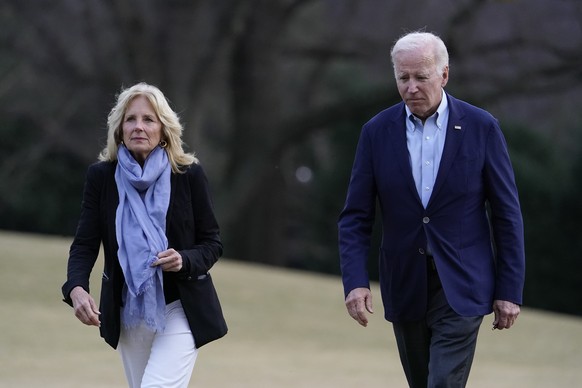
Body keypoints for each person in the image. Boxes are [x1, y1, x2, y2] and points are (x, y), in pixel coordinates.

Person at [338, 31, 525, 387]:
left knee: (442, 383)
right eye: (402, 78)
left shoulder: (481, 127)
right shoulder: (376, 132)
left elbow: (506, 214)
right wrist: (355, 282)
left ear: (444, 75)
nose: (411, 87)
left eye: (420, 77)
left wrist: (509, 290)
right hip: (405, 281)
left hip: (463, 283)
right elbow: (355, 217)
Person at [62, 82, 227, 388]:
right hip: (127, 309)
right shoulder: (101, 177)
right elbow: (85, 243)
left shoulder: (188, 175)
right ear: (119, 129)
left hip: (181, 306)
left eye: (148, 119)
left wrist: (184, 259)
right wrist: (76, 288)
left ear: (164, 129)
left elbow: (212, 243)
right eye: (131, 119)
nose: (139, 126)